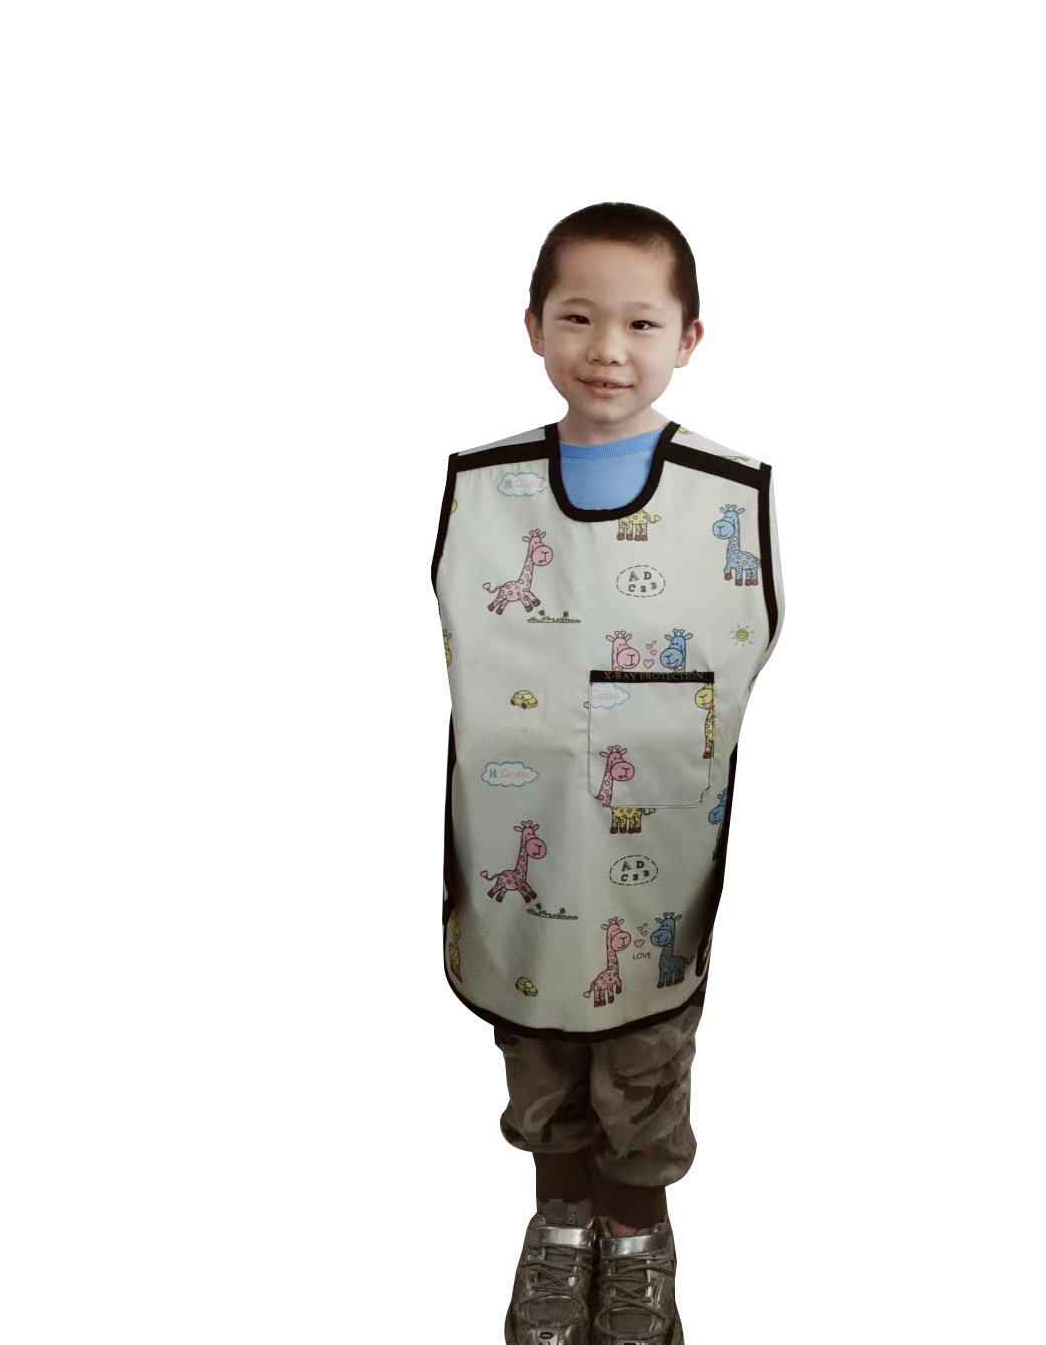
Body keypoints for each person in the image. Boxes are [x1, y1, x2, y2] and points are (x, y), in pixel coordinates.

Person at [430, 203, 783, 1344]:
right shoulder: (482, 490)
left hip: (655, 870)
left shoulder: (728, 498)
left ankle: (637, 1240)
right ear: (534, 326)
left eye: (641, 321)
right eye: (578, 317)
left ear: (689, 338)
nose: (608, 348)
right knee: (536, 1070)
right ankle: (561, 1226)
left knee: (646, 1072)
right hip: (515, 863)